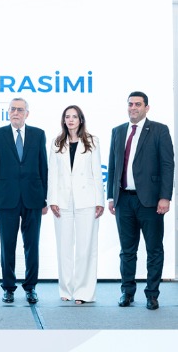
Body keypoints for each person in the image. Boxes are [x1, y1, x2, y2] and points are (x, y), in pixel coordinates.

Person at [107, 91, 175, 310]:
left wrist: (165, 197)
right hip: (123, 200)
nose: (133, 108)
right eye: (130, 104)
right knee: (127, 251)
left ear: (147, 107)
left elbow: (167, 165)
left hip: (151, 202)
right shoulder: (118, 131)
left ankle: (152, 295)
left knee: (154, 250)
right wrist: (111, 196)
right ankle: (127, 292)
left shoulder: (159, 130)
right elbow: (112, 165)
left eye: (138, 104)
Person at [0, 97, 48, 304]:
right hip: (6, 198)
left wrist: (45, 197)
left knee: (32, 245)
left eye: (20, 110)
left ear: (27, 114)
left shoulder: (38, 134)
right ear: (8, 112)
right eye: (13, 109)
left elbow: (43, 166)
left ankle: (31, 287)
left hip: (33, 197)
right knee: (7, 245)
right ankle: (8, 287)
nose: (16, 112)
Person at [47, 105, 104, 305]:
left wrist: (99, 200)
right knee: (64, 247)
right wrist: (52, 200)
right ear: (63, 120)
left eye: (74, 116)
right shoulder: (56, 142)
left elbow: (97, 172)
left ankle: (84, 292)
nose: (70, 120)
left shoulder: (92, 141)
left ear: (81, 120)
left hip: (87, 200)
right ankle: (66, 289)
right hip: (62, 200)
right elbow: (52, 173)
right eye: (67, 116)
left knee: (86, 248)